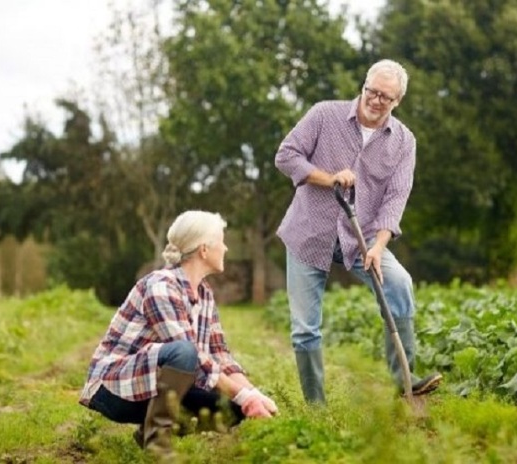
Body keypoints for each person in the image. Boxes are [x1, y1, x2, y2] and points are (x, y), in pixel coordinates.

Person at [274, 59, 442, 404]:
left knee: (399, 284)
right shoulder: (324, 115)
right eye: (373, 91)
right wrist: (329, 177)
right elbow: (286, 156)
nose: (377, 100)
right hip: (309, 233)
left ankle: (405, 379)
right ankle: (316, 408)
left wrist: (379, 246)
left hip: (361, 238)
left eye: (387, 97)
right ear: (364, 86)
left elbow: (396, 198)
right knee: (306, 327)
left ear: (398, 101)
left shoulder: (404, 142)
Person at [79, 210, 278, 458]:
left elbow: (220, 355)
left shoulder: (204, 295)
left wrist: (252, 395)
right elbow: (188, 351)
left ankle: (148, 431)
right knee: (186, 352)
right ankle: (157, 445)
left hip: (150, 386)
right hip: (114, 389)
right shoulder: (161, 285)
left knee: (234, 408)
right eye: (222, 241)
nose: (226, 248)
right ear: (204, 250)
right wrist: (243, 395)